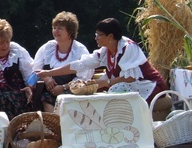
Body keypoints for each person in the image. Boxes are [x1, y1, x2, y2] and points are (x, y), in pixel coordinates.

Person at [38, 17, 167, 104]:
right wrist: (49, 73)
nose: (96, 38)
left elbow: (130, 78)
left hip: (148, 86)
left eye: (99, 35)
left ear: (110, 36)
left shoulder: (128, 48)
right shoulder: (105, 51)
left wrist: (104, 82)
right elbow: (79, 65)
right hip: (126, 86)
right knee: (93, 91)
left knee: (113, 89)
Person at [33, 12, 94, 112]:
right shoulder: (48, 47)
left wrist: (63, 87)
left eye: (60, 28)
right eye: (54, 28)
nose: (55, 31)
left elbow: (84, 77)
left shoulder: (80, 50)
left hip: (72, 92)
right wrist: (47, 78)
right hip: (49, 92)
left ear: (70, 32)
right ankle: (53, 125)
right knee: (45, 98)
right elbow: (35, 69)